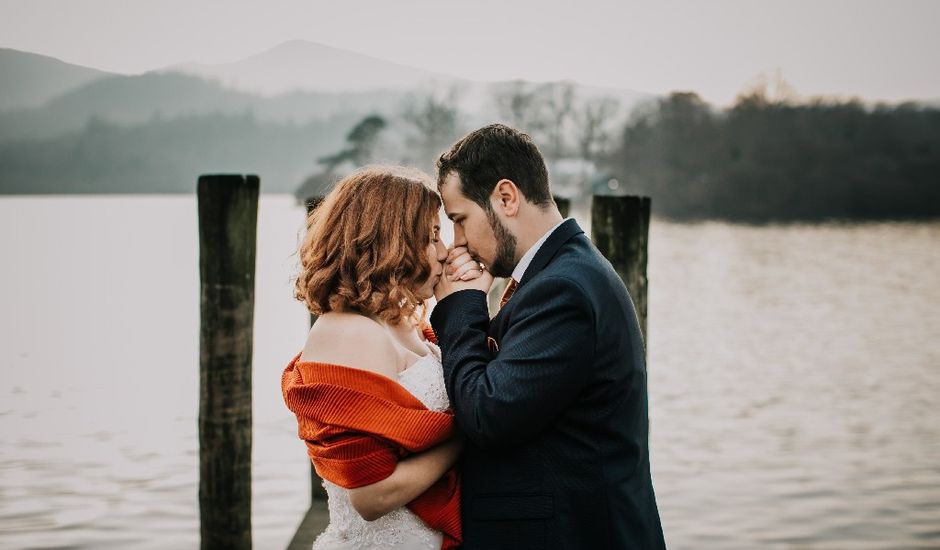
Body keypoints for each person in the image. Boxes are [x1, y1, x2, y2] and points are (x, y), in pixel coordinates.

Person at [430, 124, 667, 549]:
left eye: (459, 220)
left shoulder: (564, 290)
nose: (456, 243)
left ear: (506, 197)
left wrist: (462, 306)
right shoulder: (561, 273)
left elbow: (488, 414)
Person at [281, 166, 473, 550]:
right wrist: (471, 433)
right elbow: (371, 496)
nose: (444, 251)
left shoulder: (406, 324)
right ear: (390, 241)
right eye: (432, 236)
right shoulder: (347, 332)